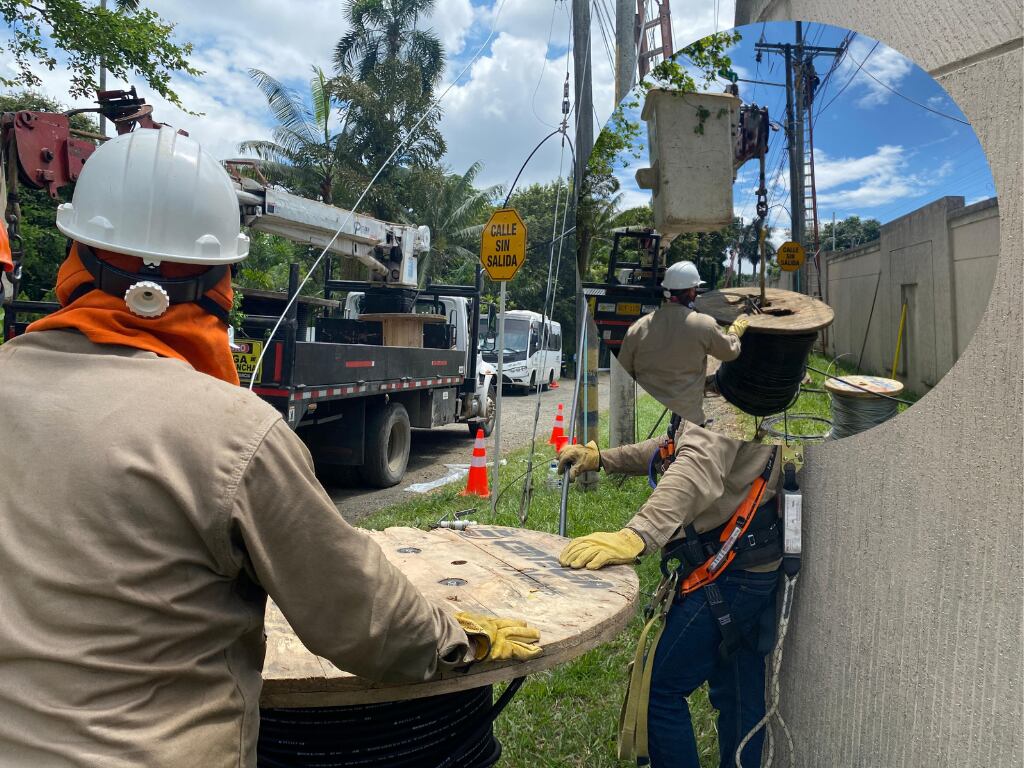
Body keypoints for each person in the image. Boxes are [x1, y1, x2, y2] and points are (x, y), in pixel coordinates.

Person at [0, 127, 540, 768]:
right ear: (220, 278)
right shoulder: (234, 436)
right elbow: (360, 616)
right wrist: (455, 640)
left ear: (76, 255)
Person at [557, 425, 791, 768]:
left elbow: (698, 462)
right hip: (752, 566)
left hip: (728, 574)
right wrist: (604, 459)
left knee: (657, 694)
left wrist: (638, 533)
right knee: (739, 692)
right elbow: (679, 444)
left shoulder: (722, 387)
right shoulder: (751, 386)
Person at [617, 260, 748, 427]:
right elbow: (730, 352)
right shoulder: (703, 324)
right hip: (688, 422)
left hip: (645, 422)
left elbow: (623, 373)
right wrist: (734, 333)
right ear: (692, 291)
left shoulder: (638, 328)